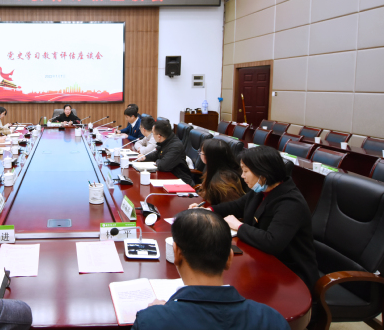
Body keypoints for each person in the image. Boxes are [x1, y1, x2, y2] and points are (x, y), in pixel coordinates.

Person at [131, 209, 290, 330]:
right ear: (229, 258)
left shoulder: (151, 322)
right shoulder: (272, 320)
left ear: (176, 253)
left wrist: (157, 314)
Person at [192, 145, 319, 293]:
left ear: (263, 173)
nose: (242, 176)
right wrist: (209, 210)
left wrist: (239, 226)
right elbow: (237, 206)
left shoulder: (291, 203)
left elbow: (272, 242)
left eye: (246, 171)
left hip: (290, 275)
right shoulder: (262, 190)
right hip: (261, 259)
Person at [135, 120, 194, 186]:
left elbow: (163, 166)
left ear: (159, 136)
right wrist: (145, 157)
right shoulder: (165, 141)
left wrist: (157, 161)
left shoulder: (176, 146)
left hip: (181, 183)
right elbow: (156, 154)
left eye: (153, 134)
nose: (152, 136)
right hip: (169, 178)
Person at [195, 139, 246, 205]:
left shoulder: (223, 183)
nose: (200, 154)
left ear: (209, 157)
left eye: (201, 152)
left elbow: (232, 207)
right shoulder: (215, 169)